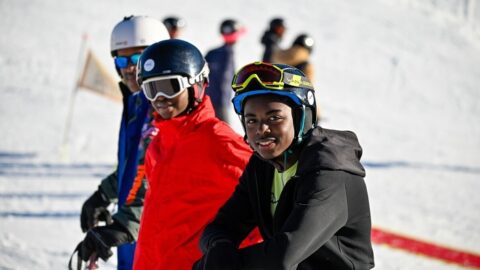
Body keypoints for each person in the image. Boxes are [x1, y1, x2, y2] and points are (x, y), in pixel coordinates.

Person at [194, 62, 375, 269]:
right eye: (251, 120)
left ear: (301, 118)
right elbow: (222, 225)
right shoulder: (261, 166)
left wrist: (219, 265)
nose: (261, 129)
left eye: (274, 118)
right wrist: (219, 248)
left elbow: (285, 253)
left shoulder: (329, 173)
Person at [132, 39, 261, 270]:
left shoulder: (217, 141)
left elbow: (267, 199)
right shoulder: (158, 145)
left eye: (169, 86)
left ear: (197, 85)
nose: (159, 97)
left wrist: (234, 256)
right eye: (151, 89)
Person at [75, 15, 170, 270]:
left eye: (138, 59)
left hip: (158, 236)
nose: (129, 67)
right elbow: (134, 164)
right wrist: (103, 193)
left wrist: (126, 224)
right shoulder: (135, 101)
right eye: (121, 59)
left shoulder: (163, 107)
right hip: (135, 235)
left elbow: (151, 172)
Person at [272, 33, 321, 121]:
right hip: (297, 107)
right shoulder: (306, 64)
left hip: (271, 103)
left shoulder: (277, 56)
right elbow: (307, 86)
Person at [205, 19, 246, 123]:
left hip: (209, 100)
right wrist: (223, 102)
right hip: (219, 102)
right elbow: (225, 79)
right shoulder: (226, 54)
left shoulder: (213, 53)